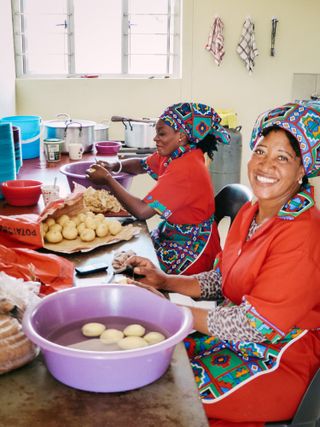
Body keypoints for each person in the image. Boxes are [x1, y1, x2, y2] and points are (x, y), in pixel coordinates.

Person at [126, 100, 320, 426]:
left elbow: (255, 325)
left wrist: (175, 313)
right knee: (153, 359)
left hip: (279, 357)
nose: (265, 165)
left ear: (302, 170)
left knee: (163, 397)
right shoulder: (251, 212)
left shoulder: (303, 235)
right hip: (234, 339)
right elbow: (223, 277)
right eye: (260, 151)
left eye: (282, 158)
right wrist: (165, 281)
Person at [86, 102, 230, 275]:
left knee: (134, 270)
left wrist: (108, 180)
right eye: (156, 133)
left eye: (162, 134)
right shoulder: (176, 153)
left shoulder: (186, 168)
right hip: (172, 232)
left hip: (192, 247)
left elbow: (142, 211)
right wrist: (114, 166)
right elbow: (140, 165)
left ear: (182, 136)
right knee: (127, 250)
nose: (156, 139)